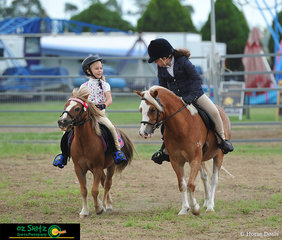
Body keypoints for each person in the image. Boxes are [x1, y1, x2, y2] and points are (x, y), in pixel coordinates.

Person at [147, 38, 234, 164]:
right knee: (166, 119)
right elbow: (163, 85)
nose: (156, 62)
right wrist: (165, 100)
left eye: (156, 60)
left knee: (214, 112)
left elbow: (196, 79)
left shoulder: (183, 62)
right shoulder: (161, 68)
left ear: (165, 57)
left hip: (195, 95)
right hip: (176, 99)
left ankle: (222, 140)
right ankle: (165, 149)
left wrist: (191, 97)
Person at [53, 55, 127, 168]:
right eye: (96, 68)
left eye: (101, 68)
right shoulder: (84, 86)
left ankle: (117, 151)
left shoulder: (105, 85)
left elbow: (109, 99)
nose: (100, 70)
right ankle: (64, 155)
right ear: (89, 71)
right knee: (66, 132)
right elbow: (80, 101)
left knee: (111, 128)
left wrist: (105, 104)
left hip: (100, 114)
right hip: (86, 115)